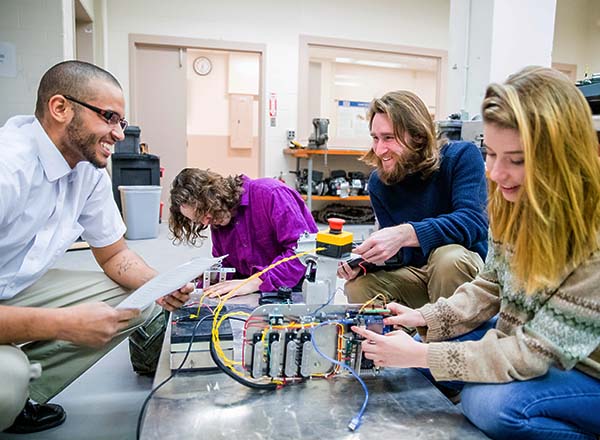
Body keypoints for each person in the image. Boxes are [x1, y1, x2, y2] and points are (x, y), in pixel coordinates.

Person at [352, 66, 600, 440]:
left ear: (562, 156)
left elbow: (533, 353)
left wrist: (422, 357)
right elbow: (487, 288)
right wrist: (423, 318)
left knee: (489, 405)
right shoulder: (517, 205)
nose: (497, 174)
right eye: (491, 154)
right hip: (529, 346)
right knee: (431, 348)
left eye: (515, 160)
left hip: (583, 371)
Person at [0, 61, 193, 434]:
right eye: (109, 117)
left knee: (139, 301)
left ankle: (28, 388)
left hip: (13, 285)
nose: (119, 133)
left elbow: (115, 255)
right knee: (7, 381)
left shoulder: (88, 170)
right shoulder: (8, 170)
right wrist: (64, 324)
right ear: (61, 108)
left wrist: (163, 283)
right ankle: (15, 383)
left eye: (121, 122)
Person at [338, 90, 488, 309]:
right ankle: (396, 337)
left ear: (418, 136)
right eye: (375, 138)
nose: (380, 150)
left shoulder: (461, 157)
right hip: (418, 273)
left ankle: (451, 339)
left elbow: (473, 222)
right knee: (358, 287)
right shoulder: (380, 183)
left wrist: (406, 233)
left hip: (460, 271)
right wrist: (365, 263)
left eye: (389, 138)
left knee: (447, 258)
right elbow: (402, 255)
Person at [169, 168, 318, 298]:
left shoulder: (270, 193)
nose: (206, 223)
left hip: (298, 287)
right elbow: (227, 265)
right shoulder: (218, 218)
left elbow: (304, 252)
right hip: (256, 292)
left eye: (204, 212)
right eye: (199, 220)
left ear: (214, 195)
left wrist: (257, 281)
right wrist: (209, 277)